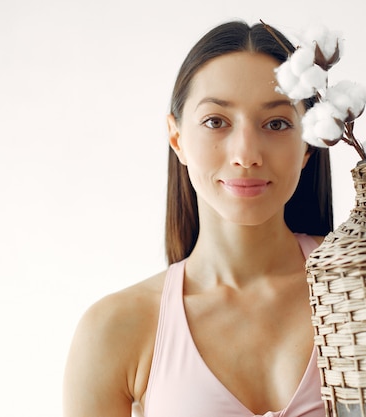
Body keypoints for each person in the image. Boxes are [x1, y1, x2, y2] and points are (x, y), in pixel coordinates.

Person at [63, 20, 333, 417]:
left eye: (276, 123)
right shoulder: (115, 330)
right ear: (177, 140)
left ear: (308, 143)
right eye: (216, 121)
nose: (246, 154)